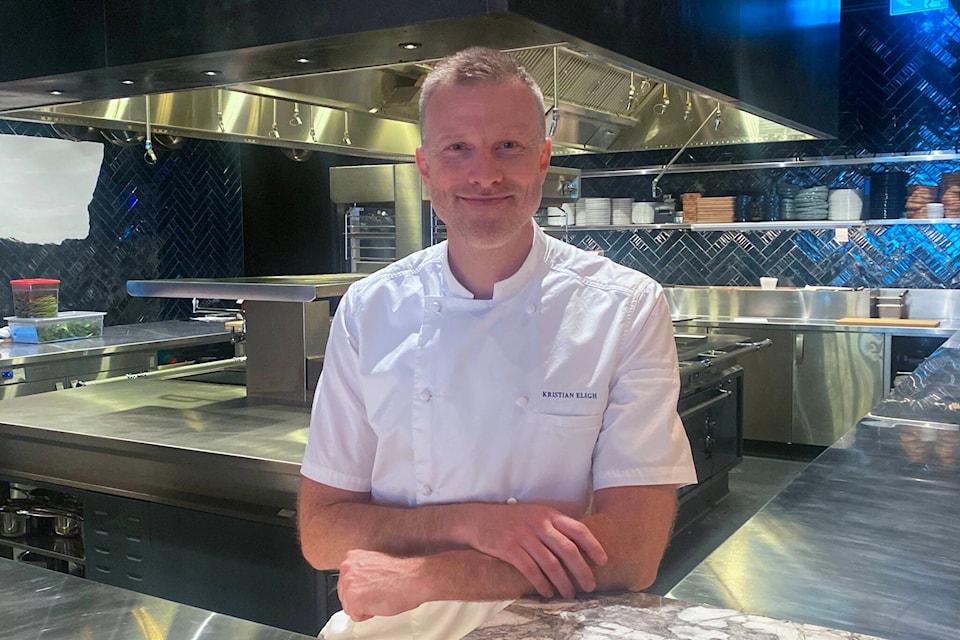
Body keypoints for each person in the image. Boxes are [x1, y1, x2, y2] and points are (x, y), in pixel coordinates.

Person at [298, 46, 697, 640]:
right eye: (457, 148)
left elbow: (632, 552)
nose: (484, 173)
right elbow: (323, 532)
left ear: (542, 160)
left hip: (551, 626)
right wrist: (481, 525)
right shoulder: (369, 309)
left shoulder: (625, 307)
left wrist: (426, 577)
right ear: (425, 166)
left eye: (508, 146)